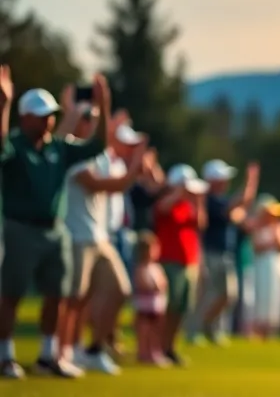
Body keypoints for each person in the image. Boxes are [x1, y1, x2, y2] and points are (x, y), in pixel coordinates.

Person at [0, 71, 111, 380]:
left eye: (51, 116)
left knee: (57, 294)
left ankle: (49, 355)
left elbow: (98, 145)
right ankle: (5, 355)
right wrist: (3, 105)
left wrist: (104, 106)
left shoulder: (59, 147)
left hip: (55, 229)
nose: (48, 121)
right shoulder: (15, 145)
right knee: (11, 295)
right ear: (25, 118)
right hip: (19, 228)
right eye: (40, 116)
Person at [59, 103, 148, 375]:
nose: (92, 124)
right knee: (74, 300)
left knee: (120, 289)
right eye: (88, 120)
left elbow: (117, 179)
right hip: (77, 235)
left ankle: (93, 350)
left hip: (99, 237)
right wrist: (135, 164)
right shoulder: (72, 152)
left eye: (95, 120)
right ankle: (64, 352)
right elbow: (110, 185)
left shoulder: (101, 156)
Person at [190, 159, 259, 346]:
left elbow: (241, 205)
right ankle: (195, 330)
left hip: (224, 252)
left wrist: (251, 185)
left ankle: (209, 327)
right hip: (209, 252)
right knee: (207, 294)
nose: (226, 182)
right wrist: (250, 183)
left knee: (229, 294)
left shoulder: (219, 199)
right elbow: (237, 204)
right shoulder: (208, 200)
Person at [153, 163, 209, 365]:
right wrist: (179, 192)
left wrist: (198, 201)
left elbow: (201, 223)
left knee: (181, 309)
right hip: (169, 261)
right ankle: (157, 347)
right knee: (167, 308)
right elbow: (162, 209)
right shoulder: (168, 201)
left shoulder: (189, 205)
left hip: (189, 262)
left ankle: (170, 347)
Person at [248, 194, 280, 339]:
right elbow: (256, 248)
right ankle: (256, 330)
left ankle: (269, 332)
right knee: (261, 296)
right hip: (261, 266)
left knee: (275, 298)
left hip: (276, 267)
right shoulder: (258, 228)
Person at [131, 232, 169, 366]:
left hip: (157, 305)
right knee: (144, 331)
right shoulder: (141, 268)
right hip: (145, 306)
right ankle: (143, 352)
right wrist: (153, 287)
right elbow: (142, 284)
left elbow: (163, 283)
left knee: (156, 331)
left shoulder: (157, 267)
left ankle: (154, 352)